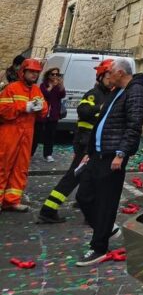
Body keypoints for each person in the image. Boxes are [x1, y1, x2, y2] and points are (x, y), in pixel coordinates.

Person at [76, 59, 143, 266]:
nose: (107, 76)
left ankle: (98, 247)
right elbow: (102, 123)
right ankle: (106, 229)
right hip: (97, 154)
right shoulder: (115, 91)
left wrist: (121, 153)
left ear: (120, 73)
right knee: (84, 196)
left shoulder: (135, 91)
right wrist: (89, 152)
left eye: (110, 72)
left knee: (106, 203)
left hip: (112, 156)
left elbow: (134, 125)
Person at [38, 58, 114, 224]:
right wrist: (100, 110)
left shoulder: (109, 95)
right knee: (74, 176)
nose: (112, 78)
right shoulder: (95, 94)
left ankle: (85, 204)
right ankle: (48, 210)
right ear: (101, 76)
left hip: (93, 143)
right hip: (85, 143)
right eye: (109, 75)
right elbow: (83, 111)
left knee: (91, 176)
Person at [0, 58, 47, 211]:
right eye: (31, 71)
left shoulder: (36, 90)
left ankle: (12, 200)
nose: (34, 75)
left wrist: (41, 108)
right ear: (23, 72)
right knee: (3, 165)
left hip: (27, 134)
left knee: (20, 168)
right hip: (10, 132)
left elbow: (44, 112)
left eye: (36, 72)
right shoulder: (12, 88)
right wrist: (24, 106)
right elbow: (3, 110)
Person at [33, 67, 66, 162]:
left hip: (53, 114)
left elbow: (62, 95)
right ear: (48, 75)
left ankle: (48, 154)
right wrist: (51, 87)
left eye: (57, 74)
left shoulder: (58, 86)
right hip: (42, 114)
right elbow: (44, 94)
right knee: (37, 135)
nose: (55, 76)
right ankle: (31, 152)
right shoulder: (43, 85)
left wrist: (61, 85)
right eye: (53, 74)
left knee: (50, 135)